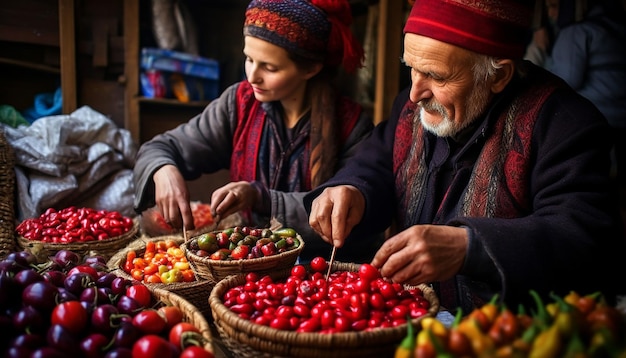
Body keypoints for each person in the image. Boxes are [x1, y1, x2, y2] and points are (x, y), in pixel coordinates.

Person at [305, 0, 626, 313]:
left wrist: (470, 247)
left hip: (511, 334)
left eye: (437, 76)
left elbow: (582, 238)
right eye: (411, 69)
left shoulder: (564, 124)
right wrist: (353, 189)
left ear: (498, 75)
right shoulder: (410, 105)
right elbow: (376, 166)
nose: (415, 93)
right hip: (415, 320)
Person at [133, 0, 380, 263]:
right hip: (247, 265)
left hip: (318, 271)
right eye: (249, 59)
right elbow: (160, 148)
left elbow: (347, 214)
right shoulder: (239, 104)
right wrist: (163, 169)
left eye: (270, 67)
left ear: (311, 68)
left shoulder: (352, 126)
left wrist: (261, 198)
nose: (252, 76)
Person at [548, 0, 626, 198]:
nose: (551, 14)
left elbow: (564, 82)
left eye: (555, 6)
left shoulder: (576, 33)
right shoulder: (615, 28)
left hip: (595, 122)